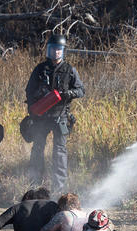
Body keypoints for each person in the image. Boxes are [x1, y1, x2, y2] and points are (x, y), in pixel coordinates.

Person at [25, 34, 85, 195]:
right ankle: (35, 186)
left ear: (63, 51)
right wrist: (32, 110)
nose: (55, 53)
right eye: (52, 49)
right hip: (41, 117)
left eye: (58, 50)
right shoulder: (40, 69)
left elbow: (81, 90)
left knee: (59, 151)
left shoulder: (69, 69)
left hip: (60, 116)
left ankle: (59, 190)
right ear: (48, 50)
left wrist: (69, 93)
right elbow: (29, 91)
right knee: (37, 149)